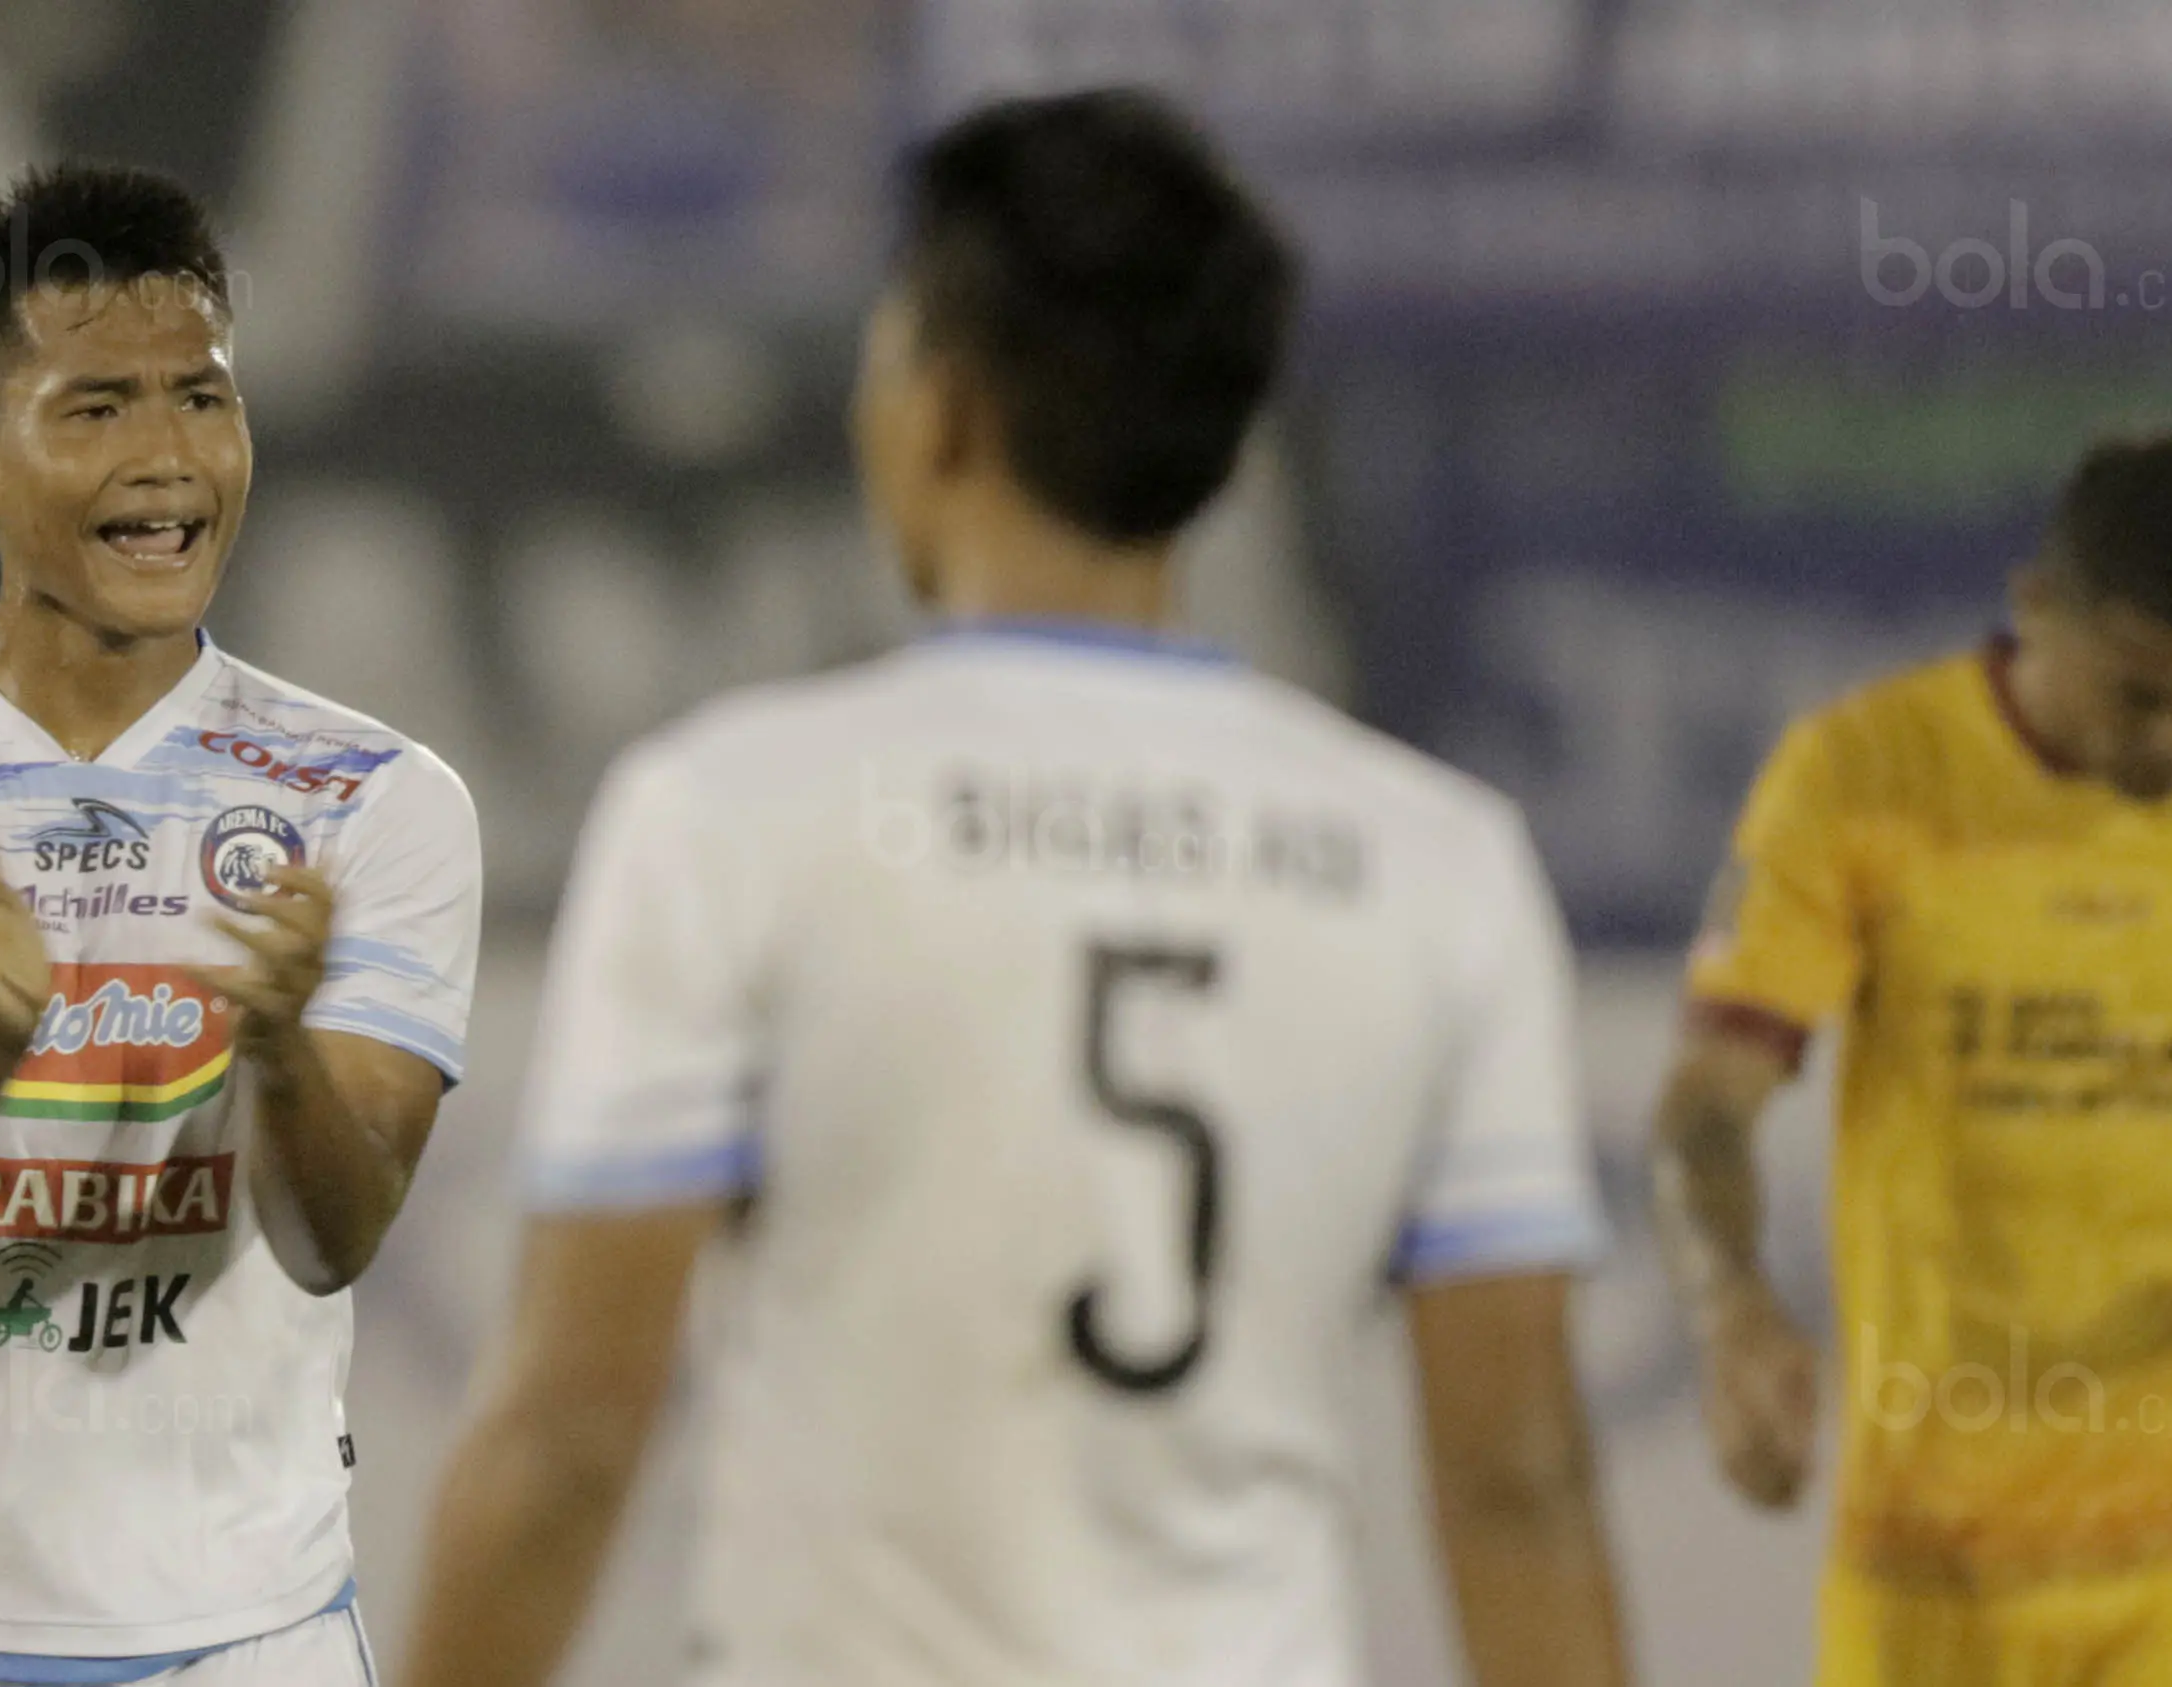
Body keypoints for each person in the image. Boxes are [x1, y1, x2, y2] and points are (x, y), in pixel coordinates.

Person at [404, 89, 1628, 1687]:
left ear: (944, 407)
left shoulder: (726, 813)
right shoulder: (1440, 858)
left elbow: (568, 1435)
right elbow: (1517, 1475)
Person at [0, 163, 481, 1686]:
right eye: (98, 407)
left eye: (202, 397)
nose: (170, 457)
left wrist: (280, 1051)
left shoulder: (373, 796)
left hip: (241, 1626)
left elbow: (338, 1234)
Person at [1652, 427, 2172, 1685]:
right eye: (2141, 693)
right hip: (1938, 1552)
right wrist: (1730, 1307)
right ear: (2034, 606)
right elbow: (1707, 1104)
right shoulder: (1863, 775)